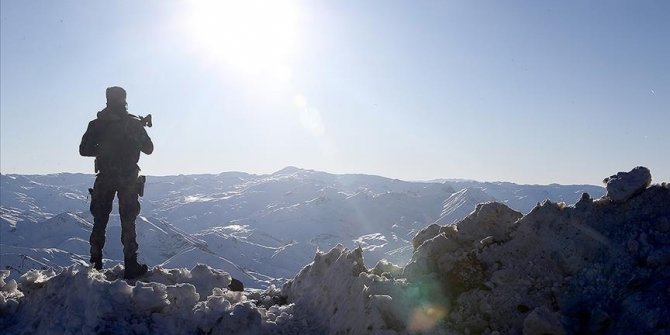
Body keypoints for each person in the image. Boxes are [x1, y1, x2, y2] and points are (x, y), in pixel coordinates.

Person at [79, 86, 154, 279]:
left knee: (99, 221)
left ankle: (95, 265)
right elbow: (149, 148)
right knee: (128, 221)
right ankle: (131, 265)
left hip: (105, 177)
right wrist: (134, 134)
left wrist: (104, 147)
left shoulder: (96, 124)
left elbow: (84, 149)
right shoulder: (133, 124)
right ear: (124, 100)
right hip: (128, 178)